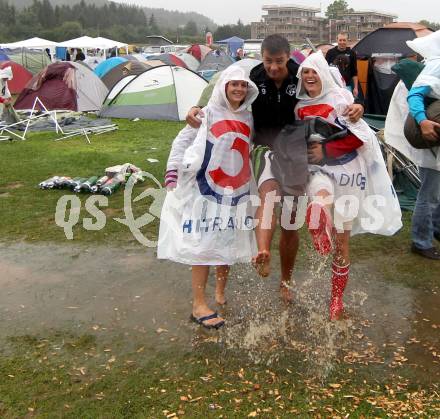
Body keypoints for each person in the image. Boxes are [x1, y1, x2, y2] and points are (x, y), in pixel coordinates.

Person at [186, 35, 365, 303]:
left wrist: (357, 106)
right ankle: (263, 252)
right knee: (268, 195)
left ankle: (286, 281)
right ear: (261, 57)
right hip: (263, 149)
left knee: (290, 223)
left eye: (278, 62)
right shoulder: (252, 76)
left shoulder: (300, 76)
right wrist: (197, 107)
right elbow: (220, 90)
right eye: (268, 61)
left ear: (289, 57)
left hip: (295, 153)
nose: (272, 67)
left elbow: (333, 89)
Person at [295, 51, 402, 319]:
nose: (309, 76)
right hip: (319, 170)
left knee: (342, 243)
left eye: (313, 71)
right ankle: (318, 214)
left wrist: (327, 150)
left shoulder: (341, 99)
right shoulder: (297, 106)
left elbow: (359, 137)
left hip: (348, 172)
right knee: (319, 188)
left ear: (322, 73)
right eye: (304, 72)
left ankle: (336, 300)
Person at [157, 66, 259, 329]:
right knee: (203, 243)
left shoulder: (248, 117)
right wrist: (172, 172)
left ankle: (220, 293)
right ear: (223, 86)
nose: (238, 89)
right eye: (233, 84)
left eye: (243, 85)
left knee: (227, 238)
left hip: (235, 190)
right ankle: (199, 303)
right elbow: (182, 141)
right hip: (205, 189)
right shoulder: (208, 112)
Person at [406, 30, 440, 259]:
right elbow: (415, 95)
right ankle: (420, 241)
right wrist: (423, 121)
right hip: (432, 140)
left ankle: (436, 229)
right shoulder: (437, 65)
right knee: (429, 194)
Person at [326, 32, 359, 97]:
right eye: (340, 40)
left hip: (347, 86)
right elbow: (325, 70)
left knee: (347, 105)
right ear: (337, 40)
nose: (342, 42)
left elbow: (354, 72)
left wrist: (356, 88)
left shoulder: (352, 53)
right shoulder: (330, 52)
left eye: (344, 40)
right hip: (333, 87)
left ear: (347, 41)